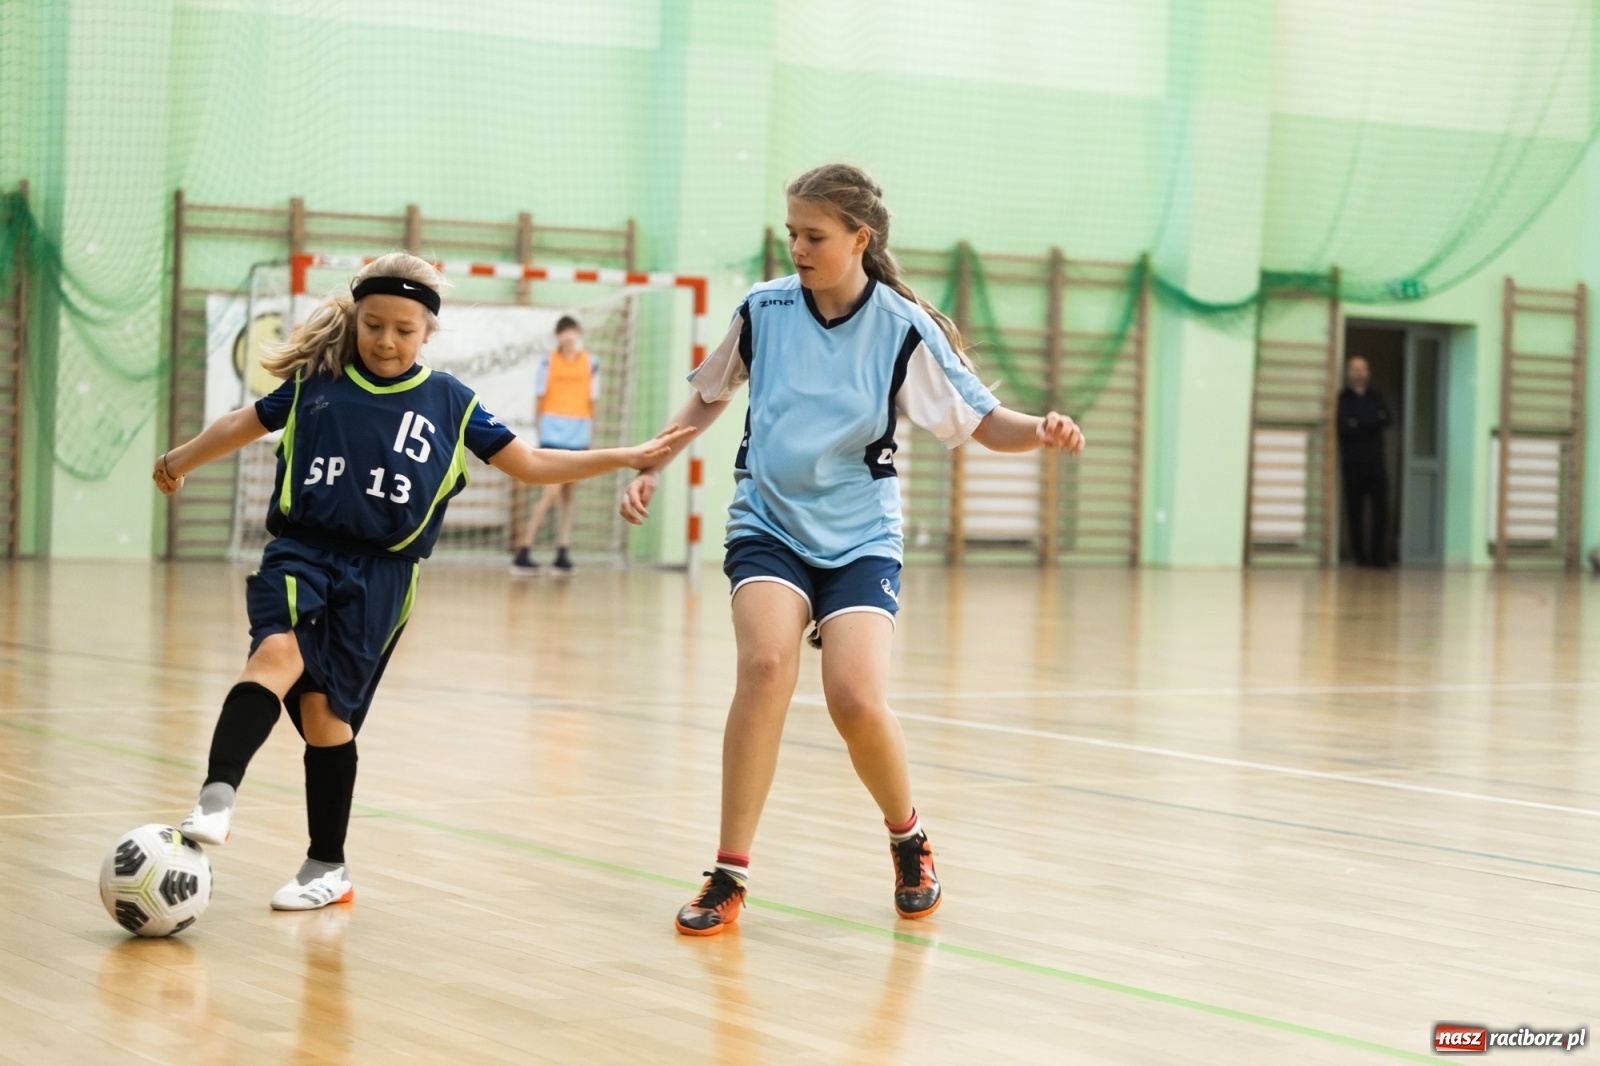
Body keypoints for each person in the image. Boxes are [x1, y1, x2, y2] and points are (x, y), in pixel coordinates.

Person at [619, 164, 1085, 936]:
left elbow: (982, 420)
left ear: (860, 240)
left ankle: (909, 840)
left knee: (855, 698)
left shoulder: (902, 328)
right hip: (768, 521)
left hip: (861, 536)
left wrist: (1038, 429)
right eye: (791, 233)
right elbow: (710, 392)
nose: (796, 247)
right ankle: (729, 873)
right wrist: (651, 464)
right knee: (766, 666)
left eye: (814, 236)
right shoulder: (764, 310)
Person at [158, 253, 690, 911]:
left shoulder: (450, 402)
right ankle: (216, 797)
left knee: (326, 717)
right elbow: (241, 423)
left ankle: (327, 865)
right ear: (355, 322)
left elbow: (529, 463)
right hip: (302, 548)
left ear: (428, 331)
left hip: (383, 575)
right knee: (274, 652)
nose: (386, 340)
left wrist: (625, 456)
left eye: (403, 329)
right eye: (373, 325)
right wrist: (178, 461)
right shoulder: (316, 385)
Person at [510, 315, 599, 576]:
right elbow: (540, 397)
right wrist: (540, 431)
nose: (568, 336)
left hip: (578, 431)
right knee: (550, 493)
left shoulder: (590, 362)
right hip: (553, 431)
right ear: (559, 336)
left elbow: (592, 399)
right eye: (564, 332)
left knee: (568, 495)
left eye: (572, 331)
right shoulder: (548, 361)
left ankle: (562, 550)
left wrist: (589, 435)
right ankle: (523, 549)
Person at [1337, 355, 1392, 567]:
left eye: (1363, 369)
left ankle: (1378, 556)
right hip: (1352, 465)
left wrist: (1358, 422)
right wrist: (1371, 422)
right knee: (1355, 512)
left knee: (1381, 510)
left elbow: (1387, 419)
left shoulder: (1376, 396)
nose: (1359, 373)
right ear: (1348, 373)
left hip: (1376, 463)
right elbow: (1344, 428)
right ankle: (1361, 558)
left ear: (1368, 373)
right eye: (1355, 369)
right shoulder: (1343, 398)